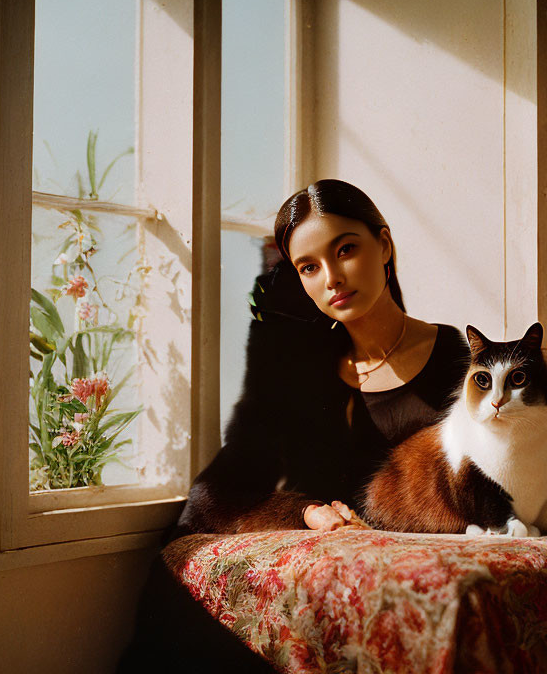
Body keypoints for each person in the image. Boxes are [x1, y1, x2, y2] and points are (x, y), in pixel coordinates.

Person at [121, 179, 469, 672]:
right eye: (309, 267)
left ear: (384, 245)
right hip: (319, 599)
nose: (332, 278)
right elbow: (211, 499)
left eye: (345, 250)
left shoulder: (459, 360)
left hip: (395, 591)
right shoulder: (301, 375)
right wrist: (307, 512)